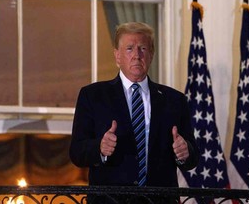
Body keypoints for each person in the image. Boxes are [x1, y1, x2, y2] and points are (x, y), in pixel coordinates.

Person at [69, 22, 199, 203]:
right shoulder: (93, 96)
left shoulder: (174, 100)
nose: (137, 55)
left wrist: (185, 153)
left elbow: (192, 157)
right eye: (129, 49)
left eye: (143, 48)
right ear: (117, 56)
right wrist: (100, 148)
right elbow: (76, 151)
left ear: (151, 54)